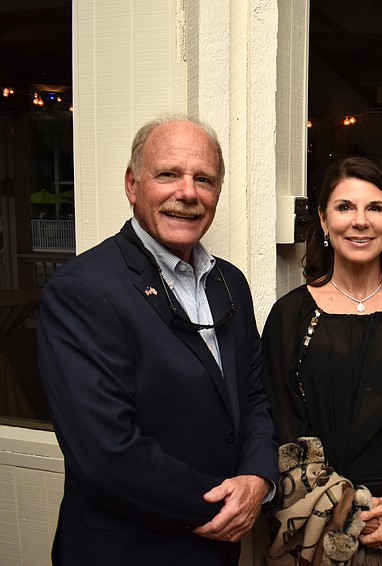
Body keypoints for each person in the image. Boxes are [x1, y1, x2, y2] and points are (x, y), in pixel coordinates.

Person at [37, 116, 279, 565]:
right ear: (132, 185)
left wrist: (258, 478)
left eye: (203, 179)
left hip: (218, 548)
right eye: (168, 174)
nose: (187, 193)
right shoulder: (83, 290)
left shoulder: (229, 283)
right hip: (128, 549)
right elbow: (106, 452)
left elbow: (253, 397)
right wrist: (226, 505)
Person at [261, 157, 382, 565]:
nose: (360, 222)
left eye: (375, 208)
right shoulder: (291, 314)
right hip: (317, 520)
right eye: (345, 207)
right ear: (323, 219)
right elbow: (282, 422)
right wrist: (341, 504)